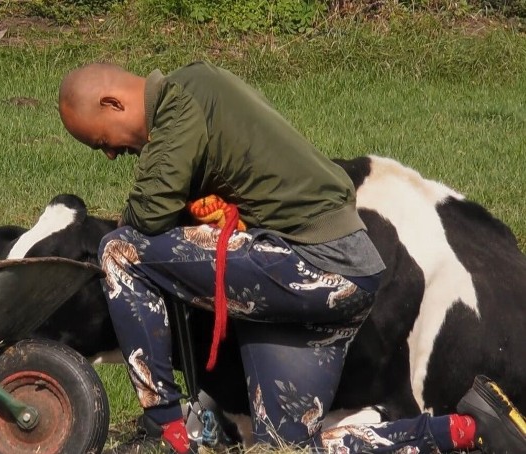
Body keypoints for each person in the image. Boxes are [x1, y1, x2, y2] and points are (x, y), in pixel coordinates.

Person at [57, 61, 526, 454]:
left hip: (320, 264)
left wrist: (137, 220)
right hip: (338, 275)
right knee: (283, 447)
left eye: (101, 141)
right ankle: (464, 430)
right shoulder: (199, 99)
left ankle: (166, 426)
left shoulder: (184, 95)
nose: (112, 156)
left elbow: (147, 216)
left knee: (119, 250)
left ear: (113, 104)